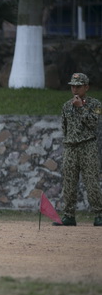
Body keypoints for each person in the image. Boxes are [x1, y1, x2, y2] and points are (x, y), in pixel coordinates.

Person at [53, 73, 102, 226]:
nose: (75, 89)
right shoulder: (67, 106)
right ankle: (68, 216)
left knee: (92, 182)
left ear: (86, 87)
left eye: (78, 86)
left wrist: (80, 107)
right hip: (71, 147)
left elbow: (94, 124)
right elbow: (64, 127)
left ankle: (99, 215)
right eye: (72, 86)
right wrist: (68, 142)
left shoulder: (95, 104)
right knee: (69, 183)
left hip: (88, 146)